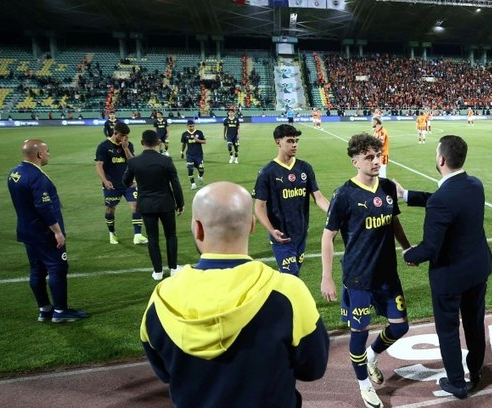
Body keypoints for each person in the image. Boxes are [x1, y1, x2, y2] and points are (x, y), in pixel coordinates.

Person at [140, 181, 329, 408]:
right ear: (251, 225)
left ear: (197, 228)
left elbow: (165, 373)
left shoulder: (161, 298)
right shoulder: (287, 291)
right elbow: (313, 369)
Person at [320, 134, 412, 408]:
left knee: (400, 326)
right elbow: (328, 237)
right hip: (358, 277)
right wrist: (327, 277)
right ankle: (364, 385)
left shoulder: (386, 187)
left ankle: (373, 355)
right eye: (369, 157)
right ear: (355, 161)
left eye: (378, 155)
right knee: (358, 335)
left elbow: (393, 221)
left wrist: (406, 247)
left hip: (387, 274)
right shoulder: (344, 194)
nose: (376, 160)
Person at [400, 135, 492, 399]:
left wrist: (409, 254)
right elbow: (444, 199)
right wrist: (406, 195)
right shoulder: (475, 185)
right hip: (477, 270)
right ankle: (475, 374)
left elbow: (430, 248)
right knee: (474, 324)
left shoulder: (443, 199)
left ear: (441, 159)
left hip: (450, 277)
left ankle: (456, 383)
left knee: (448, 330)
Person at [7, 139, 89, 323]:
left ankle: (44, 310)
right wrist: (57, 232)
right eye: (47, 151)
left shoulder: (15, 172)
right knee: (57, 267)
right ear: (39, 154)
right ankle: (60, 312)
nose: (49, 154)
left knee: (37, 269)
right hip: (44, 233)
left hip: (27, 230)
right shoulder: (36, 177)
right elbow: (44, 207)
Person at [253, 124, 330, 276]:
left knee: (291, 274)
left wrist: (335, 214)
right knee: (292, 275)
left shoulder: (305, 168)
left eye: (296, 141)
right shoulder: (267, 172)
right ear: (278, 142)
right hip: (281, 236)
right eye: (289, 141)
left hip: (301, 233)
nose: (294, 144)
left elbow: (318, 198)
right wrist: (271, 230)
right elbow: (259, 207)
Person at [123, 130, 185, 281]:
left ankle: (157, 272)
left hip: (146, 205)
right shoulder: (166, 161)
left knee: (152, 237)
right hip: (166, 203)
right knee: (171, 236)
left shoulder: (134, 162)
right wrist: (180, 203)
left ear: (142, 143)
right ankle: (173, 268)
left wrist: (137, 183)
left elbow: (125, 181)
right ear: (158, 142)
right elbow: (175, 183)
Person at [95, 121, 148, 245]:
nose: (124, 138)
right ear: (115, 133)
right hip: (112, 184)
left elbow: (132, 162)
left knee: (136, 206)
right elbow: (98, 165)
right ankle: (112, 233)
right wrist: (105, 180)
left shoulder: (128, 145)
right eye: (122, 135)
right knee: (110, 208)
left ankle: (138, 235)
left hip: (129, 183)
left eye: (126, 136)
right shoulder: (103, 146)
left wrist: (125, 148)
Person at [180, 119, 206, 190]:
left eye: (192, 126)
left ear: (194, 126)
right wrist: (182, 152)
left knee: (201, 169)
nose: (191, 127)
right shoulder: (184, 134)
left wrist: (198, 140)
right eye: (190, 126)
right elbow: (184, 144)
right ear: (187, 126)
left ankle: (200, 176)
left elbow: (204, 141)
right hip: (189, 155)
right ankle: (193, 184)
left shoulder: (199, 132)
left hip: (199, 155)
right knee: (190, 169)